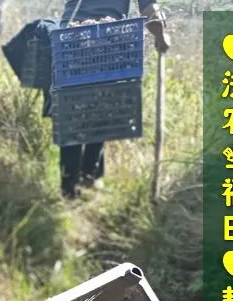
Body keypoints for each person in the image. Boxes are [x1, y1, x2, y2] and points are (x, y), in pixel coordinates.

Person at [58, 0, 170, 198]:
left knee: (73, 105)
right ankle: (87, 175)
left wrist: (159, 33)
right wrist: (160, 36)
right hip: (110, 40)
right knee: (103, 102)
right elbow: (149, 9)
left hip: (70, 39)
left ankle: (72, 182)